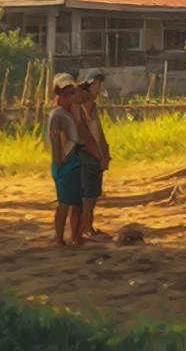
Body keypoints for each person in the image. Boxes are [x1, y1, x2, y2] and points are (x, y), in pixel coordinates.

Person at [46, 74, 84, 246]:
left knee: (76, 203)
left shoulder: (69, 113)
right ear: (60, 96)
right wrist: (59, 165)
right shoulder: (57, 115)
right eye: (67, 94)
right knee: (64, 204)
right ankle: (59, 238)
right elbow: (55, 142)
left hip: (73, 161)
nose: (71, 97)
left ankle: (76, 236)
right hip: (65, 164)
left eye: (72, 93)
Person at [73, 70, 111, 239]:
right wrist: (99, 155)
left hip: (96, 154)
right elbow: (86, 136)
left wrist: (105, 150)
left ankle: (88, 226)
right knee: (87, 196)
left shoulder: (92, 106)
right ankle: (84, 228)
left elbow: (98, 132)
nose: (98, 87)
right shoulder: (81, 107)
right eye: (96, 84)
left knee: (93, 194)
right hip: (86, 154)